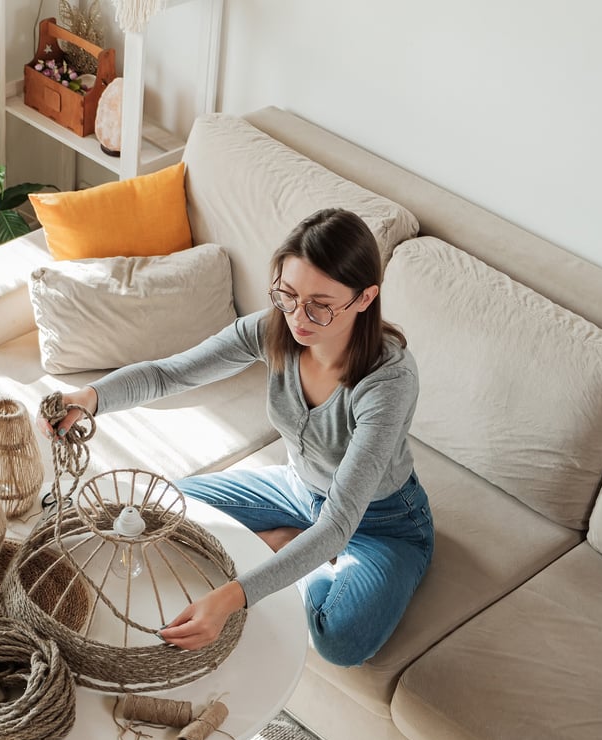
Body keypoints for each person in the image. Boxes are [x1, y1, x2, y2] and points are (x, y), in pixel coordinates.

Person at [43, 208, 434, 666]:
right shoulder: (274, 329)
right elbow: (170, 374)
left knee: (339, 639)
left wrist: (233, 598)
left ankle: (298, 553)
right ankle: (292, 541)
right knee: (165, 509)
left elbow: (339, 522)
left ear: (365, 298)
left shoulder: (388, 381)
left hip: (379, 523)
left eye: (320, 305)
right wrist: (90, 397)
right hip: (297, 489)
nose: (298, 317)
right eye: (287, 294)